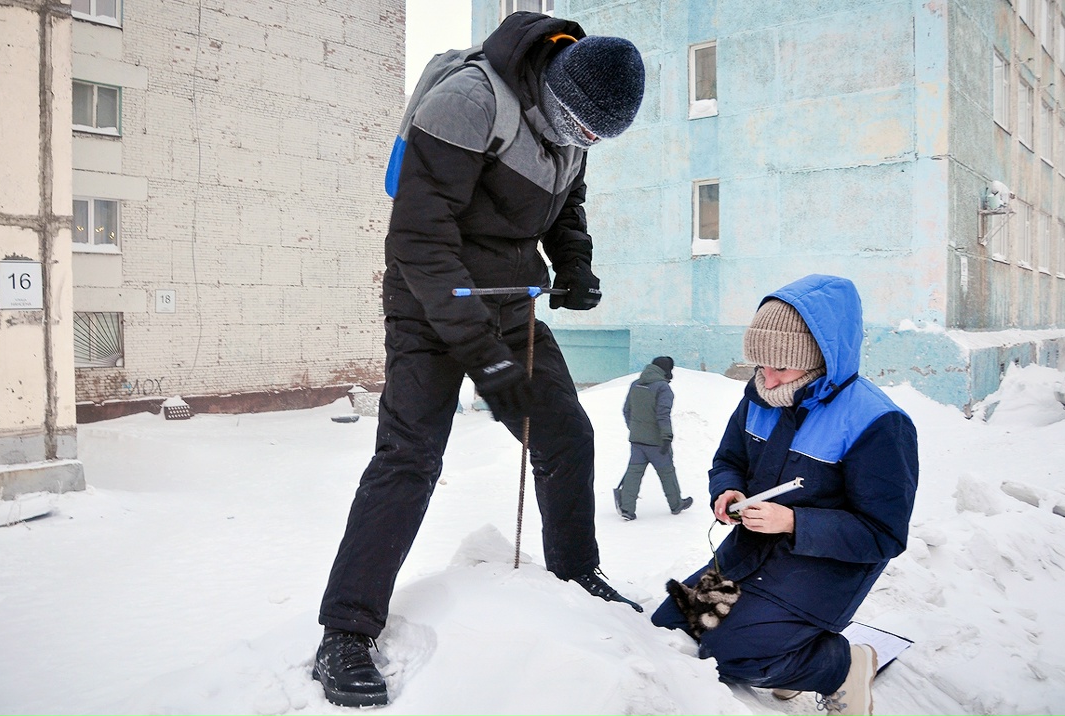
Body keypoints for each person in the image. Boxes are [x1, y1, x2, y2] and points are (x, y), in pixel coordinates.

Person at [313, 11, 647, 708]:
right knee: (410, 457)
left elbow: (566, 201)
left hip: (506, 297)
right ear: (554, 90)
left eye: (595, 138)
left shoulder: (573, 121)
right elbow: (419, 237)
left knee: (565, 432)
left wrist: (574, 263)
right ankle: (345, 631)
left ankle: (574, 574)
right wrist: (481, 357)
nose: (582, 141)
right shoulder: (468, 103)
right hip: (429, 295)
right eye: (577, 126)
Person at [651, 274, 918, 716]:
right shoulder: (760, 395)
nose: (767, 380)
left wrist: (793, 522)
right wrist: (727, 490)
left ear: (820, 361)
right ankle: (788, 654)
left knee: (730, 654)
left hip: (820, 572)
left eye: (781, 367)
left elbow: (883, 535)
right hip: (749, 553)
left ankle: (843, 665)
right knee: (674, 627)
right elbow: (728, 460)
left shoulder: (877, 423)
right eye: (760, 365)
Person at [613, 356, 692, 520]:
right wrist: (666, 437)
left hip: (637, 440)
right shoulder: (663, 388)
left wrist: (635, 429)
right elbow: (663, 415)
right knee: (667, 473)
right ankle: (676, 504)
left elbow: (626, 410)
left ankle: (627, 508)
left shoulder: (636, 385)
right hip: (657, 442)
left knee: (634, 473)